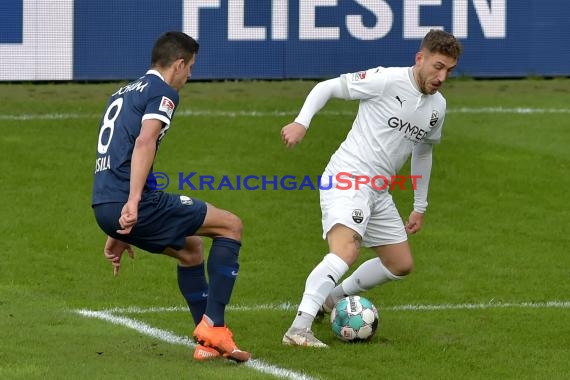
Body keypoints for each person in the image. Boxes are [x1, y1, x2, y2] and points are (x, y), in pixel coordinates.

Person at [280, 29, 462, 347]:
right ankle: (298, 329)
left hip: (378, 190)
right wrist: (301, 121)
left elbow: (424, 151)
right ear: (420, 58)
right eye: (437, 66)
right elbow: (328, 87)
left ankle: (331, 298)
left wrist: (420, 205)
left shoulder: (437, 108)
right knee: (345, 251)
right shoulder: (386, 80)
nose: (442, 76)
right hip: (349, 176)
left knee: (400, 264)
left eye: (449, 69)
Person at [92, 31, 250, 362]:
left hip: (104, 203)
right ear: (178, 64)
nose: (190, 75)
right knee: (230, 226)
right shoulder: (163, 93)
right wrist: (133, 201)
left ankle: (206, 344)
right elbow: (144, 143)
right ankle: (215, 326)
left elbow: (116, 155)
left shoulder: (121, 93)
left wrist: (113, 226)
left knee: (191, 249)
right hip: (130, 202)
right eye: (190, 67)